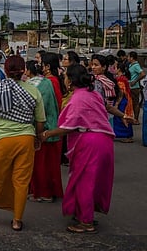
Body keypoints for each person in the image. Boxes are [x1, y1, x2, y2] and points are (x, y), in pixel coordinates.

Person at [41, 64, 114, 234]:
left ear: (71, 80)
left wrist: (47, 133)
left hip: (90, 141)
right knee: (91, 180)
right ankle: (83, 213)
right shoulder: (92, 94)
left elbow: (69, 126)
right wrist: (124, 115)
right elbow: (106, 109)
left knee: (83, 181)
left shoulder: (77, 99)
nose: (64, 79)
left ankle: (86, 222)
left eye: (66, 76)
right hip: (103, 140)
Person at [0, 55, 45, 231]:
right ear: (24, 70)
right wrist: (38, 137)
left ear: (5, 70)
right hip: (25, 139)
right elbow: (40, 120)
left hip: (2, 140)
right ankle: (16, 220)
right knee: (21, 181)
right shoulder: (33, 91)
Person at [25, 60, 63, 203]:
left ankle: (42, 192)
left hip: (41, 128)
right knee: (49, 164)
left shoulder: (34, 85)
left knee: (39, 164)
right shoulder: (47, 82)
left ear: (29, 71)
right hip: (51, 127)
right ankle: (47, 191)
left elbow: (38, 110)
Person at [113, 62, 134, 143]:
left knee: (123, 117)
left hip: (122, 100)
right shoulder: (122, 78)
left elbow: (121, 92)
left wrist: (117, 103)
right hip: (124, 99)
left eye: (115, 68)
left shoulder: (120, 79)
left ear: (118, 69)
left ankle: (128, 136)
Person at [127, 51, 145, 125]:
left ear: (131, 58)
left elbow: (142, 74)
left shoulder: (136, 65)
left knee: (135, 103)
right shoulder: (131, 65)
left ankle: (136, 119)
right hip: (130, 86)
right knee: (132, 103)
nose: (127, 58)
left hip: (134, 87)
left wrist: (135, 81)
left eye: (128, 57)